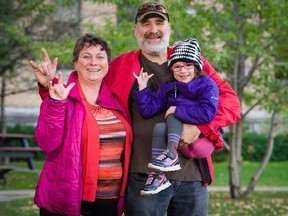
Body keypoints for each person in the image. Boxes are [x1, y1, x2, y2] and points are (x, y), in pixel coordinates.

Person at [34, 2, 241, 216]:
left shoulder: (192, 62)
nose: (153, 30)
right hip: (143, 174)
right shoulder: (120, 66)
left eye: (159, 23)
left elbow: (231, 103)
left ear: (169, 28)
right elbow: (83, 87)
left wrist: (201, 127)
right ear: (136, 30)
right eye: (145, 24)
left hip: (191, 176)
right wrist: (48, 88)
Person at [29, 33, 133, 216]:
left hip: (109, 202)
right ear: (75, 62)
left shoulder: (116, 102)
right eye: (86, 56)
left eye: (100, 57)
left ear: (107, 64)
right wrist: (54, 102)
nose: (94, 62)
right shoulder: (62, 98)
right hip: (68, 201)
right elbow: (46, 142)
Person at [133, 38, 220, 195]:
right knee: (160, 127)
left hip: (202, 142)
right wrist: (143, 88)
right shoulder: (169, 86)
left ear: (197, 67)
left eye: (188, 65)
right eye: (177, 66)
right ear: (172, 69)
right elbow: (148, 110)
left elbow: (207, 113)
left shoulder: (207, 84)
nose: (183, 70)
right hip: (179, 139)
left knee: (173, 113)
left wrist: (177, 109)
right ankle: (158, 177)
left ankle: (171, 155)